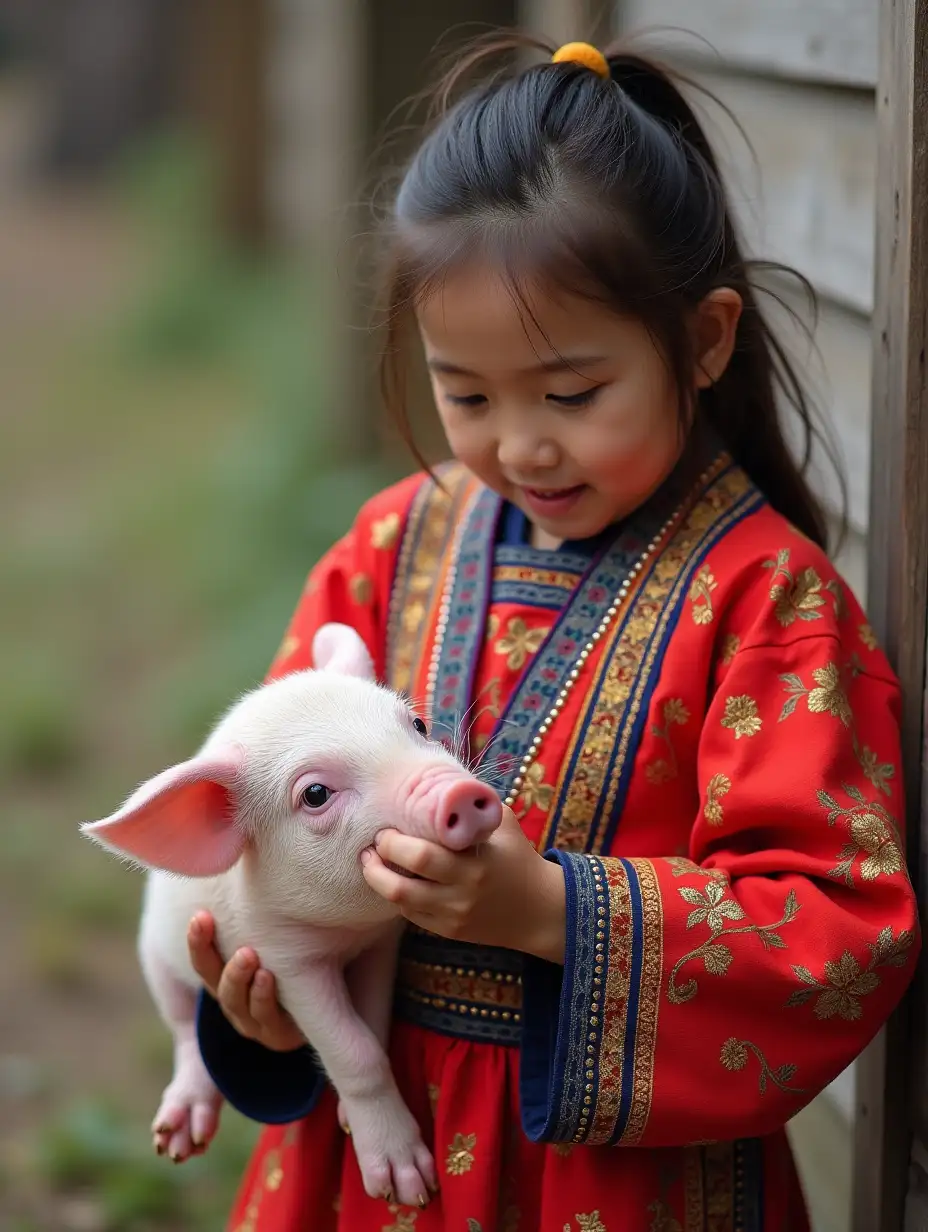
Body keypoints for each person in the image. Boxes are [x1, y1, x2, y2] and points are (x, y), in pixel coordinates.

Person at [184, 33, 920, 1231]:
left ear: (704, 339)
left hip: (624, 1187)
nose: (518, 443)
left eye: (569, 394)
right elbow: (254, 830)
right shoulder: (388, 549)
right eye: (465, 394)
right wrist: (257, 999)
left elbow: (835, 928)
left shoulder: (764, 603)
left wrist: (542, 909)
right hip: (373, 1166)